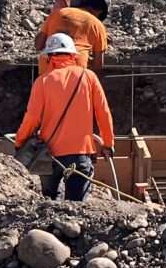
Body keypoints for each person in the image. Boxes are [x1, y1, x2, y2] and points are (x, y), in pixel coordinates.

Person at [14, 33, 115, 201]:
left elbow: (32, 118)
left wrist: (20, 141)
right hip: (80, 153)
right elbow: (103, 113)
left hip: (48, 155)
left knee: (50, 205)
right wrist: (108, 143)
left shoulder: (43, 81)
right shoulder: (89, 77)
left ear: (49, 57)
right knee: (76, 209)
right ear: (73, 55)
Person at [38, 0, 110, 74]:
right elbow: (97, 65)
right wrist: (84, 56)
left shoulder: (57, 13)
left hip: (48, 65)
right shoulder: (98, 25)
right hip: (75, 70)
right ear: (99, 12)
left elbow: (38, 45)